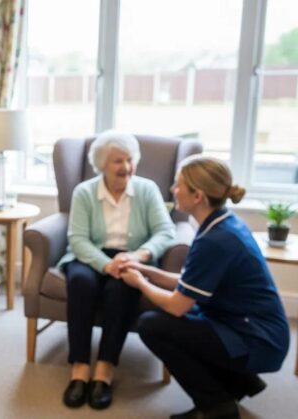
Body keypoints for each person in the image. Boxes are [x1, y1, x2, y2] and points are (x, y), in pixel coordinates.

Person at [119, 156, 289, 419]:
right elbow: (190, 283)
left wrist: (139, 283)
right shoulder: (221, 223)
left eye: (178, 185)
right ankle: (240, 382)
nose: (173, 190)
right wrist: (145, 270)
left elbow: (177, 305)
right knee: (187, 320)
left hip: (257, 339)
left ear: (197, 195)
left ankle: (216, 406)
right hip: (254, 327)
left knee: (153, 325)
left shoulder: (216, 240)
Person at [58, 131, 176, 410]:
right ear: (101, 164)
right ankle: (80, 367)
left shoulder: (146, 189)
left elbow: (165, 231)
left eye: (129, 160)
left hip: (131, 258)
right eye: (117, 161)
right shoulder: (85, 191)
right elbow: (77, 238)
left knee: (121, 289)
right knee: (80, 283)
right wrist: (105, 263)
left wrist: (139, 255)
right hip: (90, 256)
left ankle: (104, 369)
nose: (126, 167)